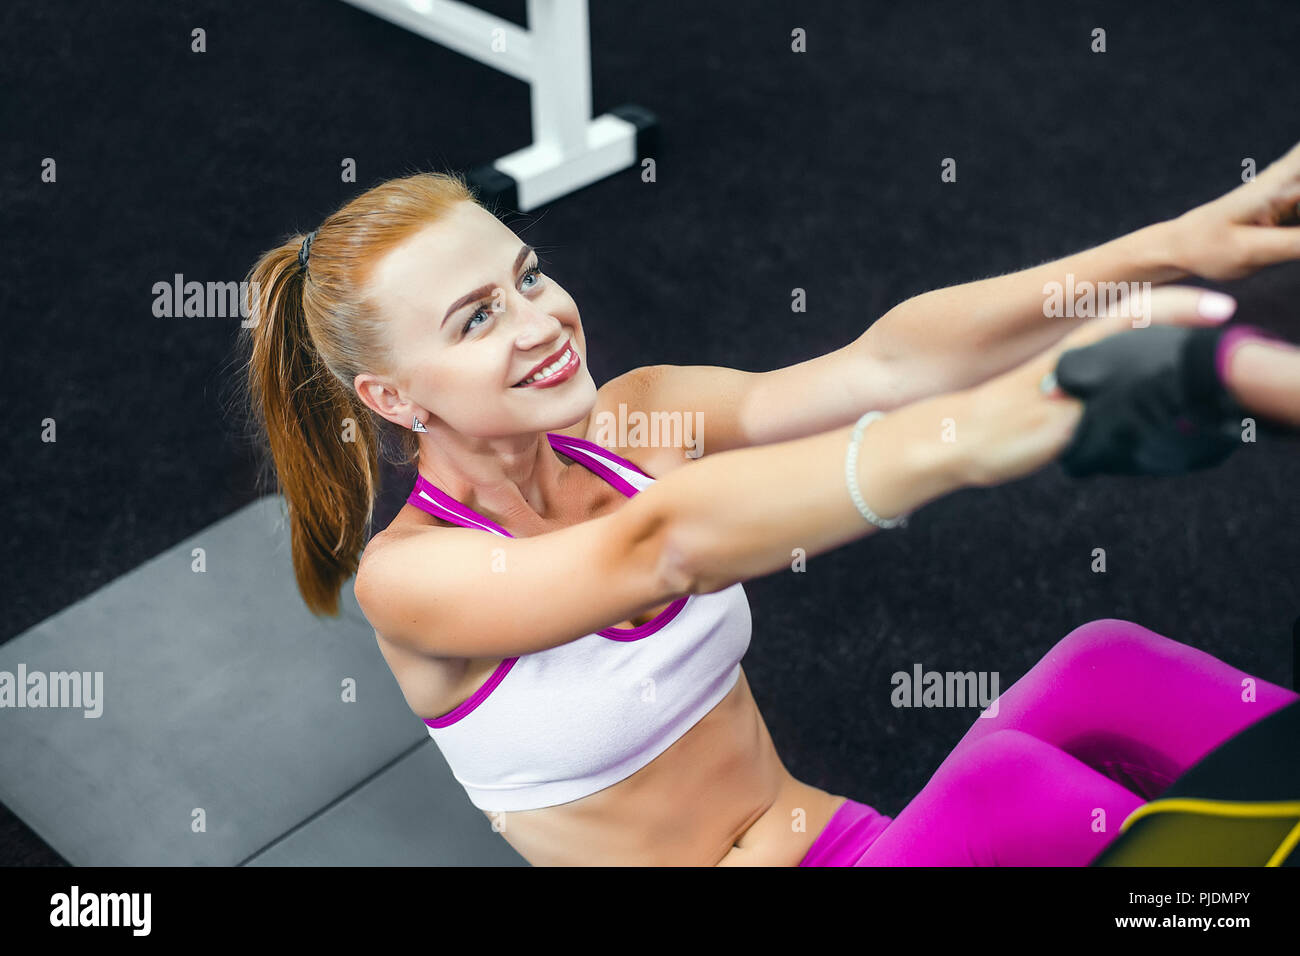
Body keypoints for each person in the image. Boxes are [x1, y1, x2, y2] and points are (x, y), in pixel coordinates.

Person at [238, 142, 1300, 865]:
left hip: (843, 842)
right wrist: (990, 426)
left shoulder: (630, 419)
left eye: (526, 276)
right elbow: (661, 545)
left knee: (1102, 661)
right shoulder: (411, 579)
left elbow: (879, 365)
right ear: (388, 396)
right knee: (1014, 790)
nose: (539, 320)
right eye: (475, 319)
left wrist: (1167, 245)